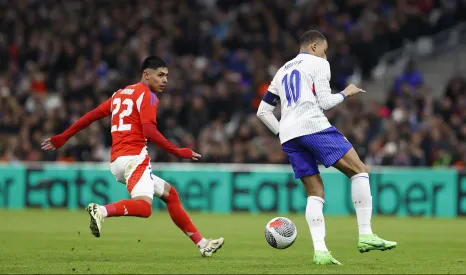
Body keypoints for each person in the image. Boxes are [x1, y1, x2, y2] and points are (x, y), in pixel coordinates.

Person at [41, 56, 224, 257]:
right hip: (135, 158)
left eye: (167, 76)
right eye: (160, 75)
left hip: (117, 162)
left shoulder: (119, 94)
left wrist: (63, 137)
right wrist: (178, 151)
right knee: (145, 208)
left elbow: (91, 116)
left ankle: (202, 244)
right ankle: (101, 211)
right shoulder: (148, 96)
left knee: (170, 194)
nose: (165, 80)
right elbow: (149, 131)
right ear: (146, 75)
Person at [256, 30, 396, 265]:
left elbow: (263, 111)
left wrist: (283, 131)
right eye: (324, 49)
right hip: (313, 125)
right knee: (359, 170)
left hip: (290, 136)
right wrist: (345, 93)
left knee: (315, 193)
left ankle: (320, 252)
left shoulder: (281, 71)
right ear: (313, 46)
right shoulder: (319, 63)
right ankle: (366, 235)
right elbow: (325, 102)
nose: (325, 53)